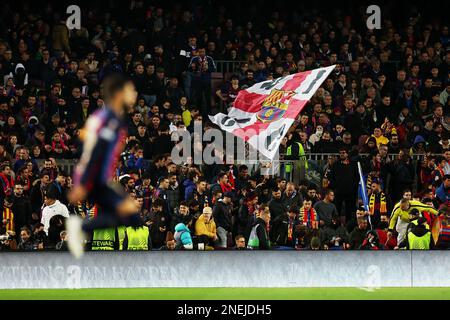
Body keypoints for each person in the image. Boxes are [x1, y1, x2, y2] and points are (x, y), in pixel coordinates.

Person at [66, 74, 142, 258]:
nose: (134, 94)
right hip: (95, 179)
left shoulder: (101, 116)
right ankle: (80, 227)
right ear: (118, 93)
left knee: (132, 217)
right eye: (130, 90)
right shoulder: (110, 120)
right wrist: (83, 183)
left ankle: (81, 227)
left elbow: (84, 145)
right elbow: (96, 151)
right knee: (131, 215)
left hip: (97, 177)